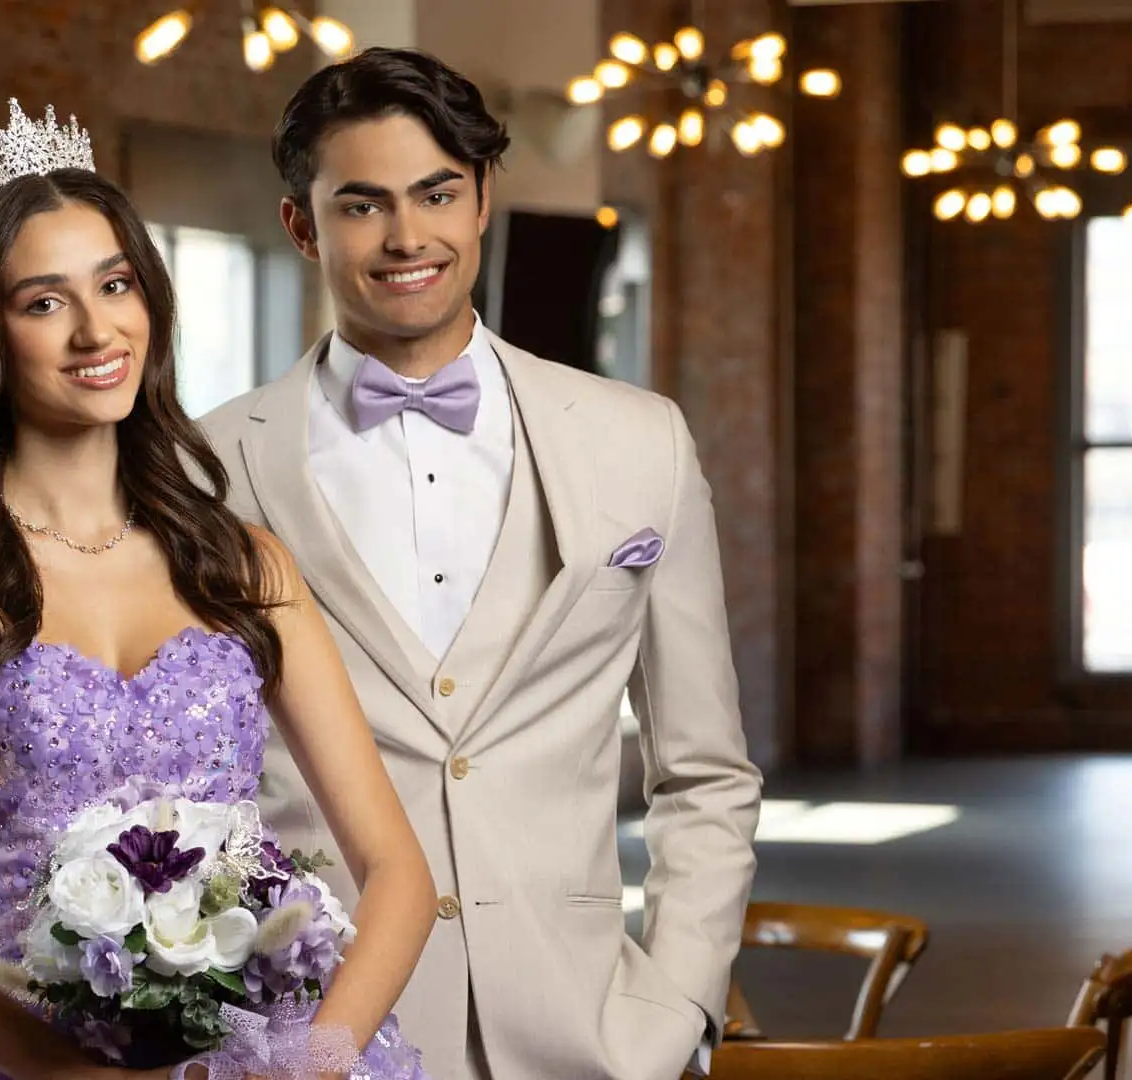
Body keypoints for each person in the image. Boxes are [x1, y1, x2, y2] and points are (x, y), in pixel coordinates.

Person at [0, 100, 436, 1080]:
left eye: (116, 284)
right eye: (43, 302)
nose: (97, 330)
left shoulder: (243, 565)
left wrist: (314, 1063)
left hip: (240, 1058)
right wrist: (67, 1075)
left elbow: (400, 877)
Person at [194, 48, 764, 1080]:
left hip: (588, 1035)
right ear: (301, 225)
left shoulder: (641, 441)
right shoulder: (207, 470)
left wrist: (676, 1001)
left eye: (437, 194)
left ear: (483, 198)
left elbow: (706, 770)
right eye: (362, 205)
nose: (408, 237)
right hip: (320, 1037)